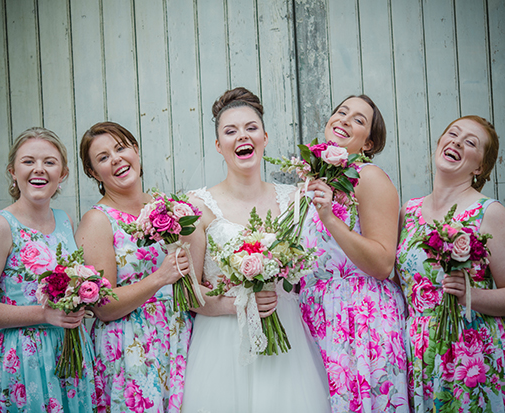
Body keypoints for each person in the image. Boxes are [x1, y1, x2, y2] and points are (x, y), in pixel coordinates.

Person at [181, 87, 330, 413]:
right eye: (230, 131)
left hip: (287, 335)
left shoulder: (297, 200)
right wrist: (240, 303)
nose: (242, 136)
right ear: (219, 146)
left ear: (265, 136)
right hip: (222, 344)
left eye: (250, 128)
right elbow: (190, 295)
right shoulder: (198, 206)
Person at [396, 115, 505, 412]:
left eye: (470, 142)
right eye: (453, 134)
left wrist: (470, 295)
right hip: (421, 355)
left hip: (473, 355)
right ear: (440, 144)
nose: (457, 142)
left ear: (480, 167)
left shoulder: (490, 213)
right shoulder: (406, 213)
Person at [0, 127, 99, 412]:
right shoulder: (0, 226)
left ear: (62, 173)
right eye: (28, 161)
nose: (39, 169)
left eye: (50, 162)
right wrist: (44, 314)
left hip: (71, 352)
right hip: (25, 358)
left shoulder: (65, 221)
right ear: (13, 171)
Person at [298, 95, 409, 412]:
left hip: (360, 320)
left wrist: (331, 218)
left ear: (369, 144)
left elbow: (383, 263)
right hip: (318, 317)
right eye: (341, 112)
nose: (344, 119)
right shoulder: (314, 182)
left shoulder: (369, 178)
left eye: (358, 119)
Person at [75, 121, 193, 413]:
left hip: (178, 337)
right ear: (93, 172)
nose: (115, 159)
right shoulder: (98, 221)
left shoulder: (166, 207)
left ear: (135, 151)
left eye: (120, 148)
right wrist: (160, 278)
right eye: (103, 158)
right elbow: (104, 307)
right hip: (131, 350)